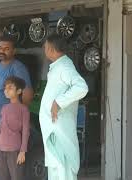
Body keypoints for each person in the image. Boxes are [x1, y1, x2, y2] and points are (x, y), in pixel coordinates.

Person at [0, 35, 33, 180]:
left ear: (14, 51)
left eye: (6, 48)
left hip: (4, 126)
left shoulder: (17, 67)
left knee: (3, 168)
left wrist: (17, 116)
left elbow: (27, 93)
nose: (2, 51)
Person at [39, 33, 89, 180]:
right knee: (56, 170)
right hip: (54, 130)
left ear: (52, 49)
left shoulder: (65, 67)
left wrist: (58, 103)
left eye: (45, 46)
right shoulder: (57, 67)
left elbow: (82, 87)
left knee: (63, 171)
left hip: (60, 130)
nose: (44, 49)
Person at [0, 76, 30, 180]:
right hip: (1, 149)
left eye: (10, 88)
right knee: (1, 177)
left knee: (17, 177)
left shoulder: (23, 109)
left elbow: (26, 131)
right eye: (5, 88)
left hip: (15, 150)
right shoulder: (4, 108)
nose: (6, 90)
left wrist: (22, 151)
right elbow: (1, 128)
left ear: (19, 91)